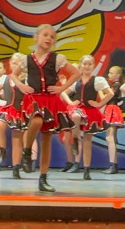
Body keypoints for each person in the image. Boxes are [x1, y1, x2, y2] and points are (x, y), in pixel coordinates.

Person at [13, 24, 79, 192]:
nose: (49, 38)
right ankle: (27, 151)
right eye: (45, 35)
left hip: (50, 101)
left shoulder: (57, 58)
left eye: (52, 36)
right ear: (36, 37)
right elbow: (12, 75)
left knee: (47, 138)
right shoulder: (27, 59)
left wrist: (61, 88)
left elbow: (76, 73)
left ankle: (43, 177)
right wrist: (21, 85)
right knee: (36, 121)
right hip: (34, 99)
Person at [60, 55, 113, 180]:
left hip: (90, 111)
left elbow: (110, 93)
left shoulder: (98, 80)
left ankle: (86, 169)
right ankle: (76, 138)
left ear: (93, 66)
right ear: (81, 66)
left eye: (89, 64)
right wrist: (70, 102)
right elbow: (63, 92)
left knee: (88, 141)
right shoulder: (76, 81)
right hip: (78, 108)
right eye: (85, 64)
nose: (87, 66)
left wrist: (99, 104)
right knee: (76, 116)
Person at [0, 53, 29, 178]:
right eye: (13, 63)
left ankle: (16, 167)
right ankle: (2, 150)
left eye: (18, 64)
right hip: (7, 109)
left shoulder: (26, 79)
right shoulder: (5, 78)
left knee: (17, 139)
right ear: (10, 64)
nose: (16, 65)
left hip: (19, 110)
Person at [101, 65, 125, 174]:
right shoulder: (116, 85)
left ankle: (113, 165)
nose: (109, 75)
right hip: (112, 109)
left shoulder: (116, 85)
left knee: (109, 137)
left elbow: (104, 98)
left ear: (118, 75)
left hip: (112, 109)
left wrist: (100, 90)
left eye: (111, 73)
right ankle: (113, 164)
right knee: (112, 138)